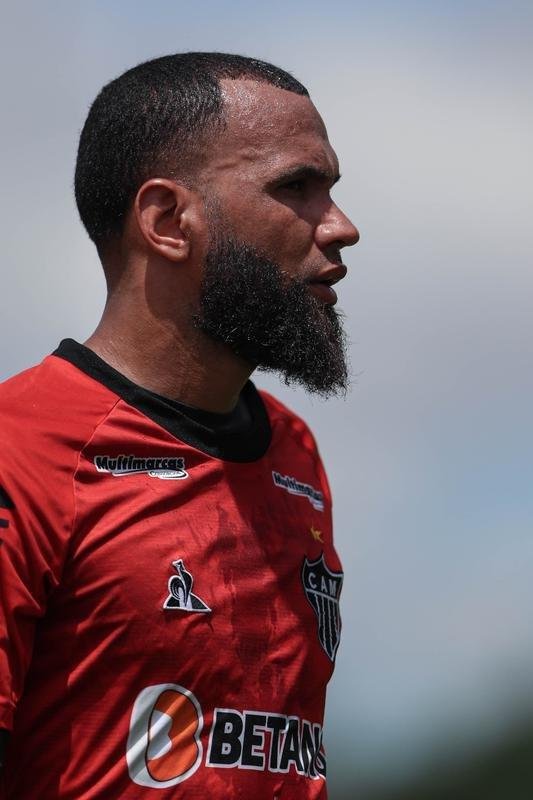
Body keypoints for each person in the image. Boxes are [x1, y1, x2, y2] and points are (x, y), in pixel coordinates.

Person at [0, 52, 359, 798]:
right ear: (167, 221)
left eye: (330, 190)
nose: (342, 227)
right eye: (296, 188)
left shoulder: (293, 451)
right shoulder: (21, 449)